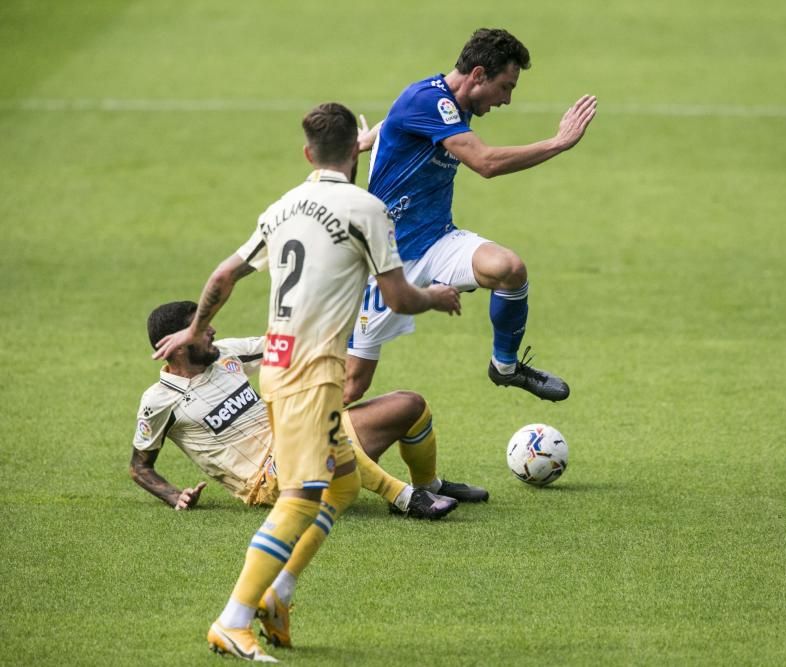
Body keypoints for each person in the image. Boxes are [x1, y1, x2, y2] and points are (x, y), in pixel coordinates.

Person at [152, 102, 461, 662]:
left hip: (278, 365)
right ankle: (232, 620)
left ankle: (279, 595)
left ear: (306, 153)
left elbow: (224, 274)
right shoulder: (367, 208)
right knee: (299, 499)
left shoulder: (282, 207)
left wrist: (194, 329)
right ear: (356, 153)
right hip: (312, 376)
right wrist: (437, 298)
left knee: (341, 488)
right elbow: (397, 297)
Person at [345, 27, 598, 405]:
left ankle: (506, 366)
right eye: (506, 86)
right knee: (352, 387)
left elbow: (403, 121)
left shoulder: (447, 103)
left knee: (509, 269)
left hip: (438, 240)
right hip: (386, 258)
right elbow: (485, 163)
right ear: (478, 75)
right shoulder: (429, 100)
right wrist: (558, 142)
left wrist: (371, 139)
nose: (508, 100)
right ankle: (279, 451)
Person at [131, 301, 488, 522]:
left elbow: (283, 345)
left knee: (410, 405)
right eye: (199, 327)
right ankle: (406, 499)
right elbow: (139, 466)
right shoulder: (159, 400)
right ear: (174, 346)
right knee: (314, 426)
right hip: (266, 481)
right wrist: (172, 494)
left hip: (301, 438)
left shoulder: (226, 354)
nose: (211, 330)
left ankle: (429, 483)